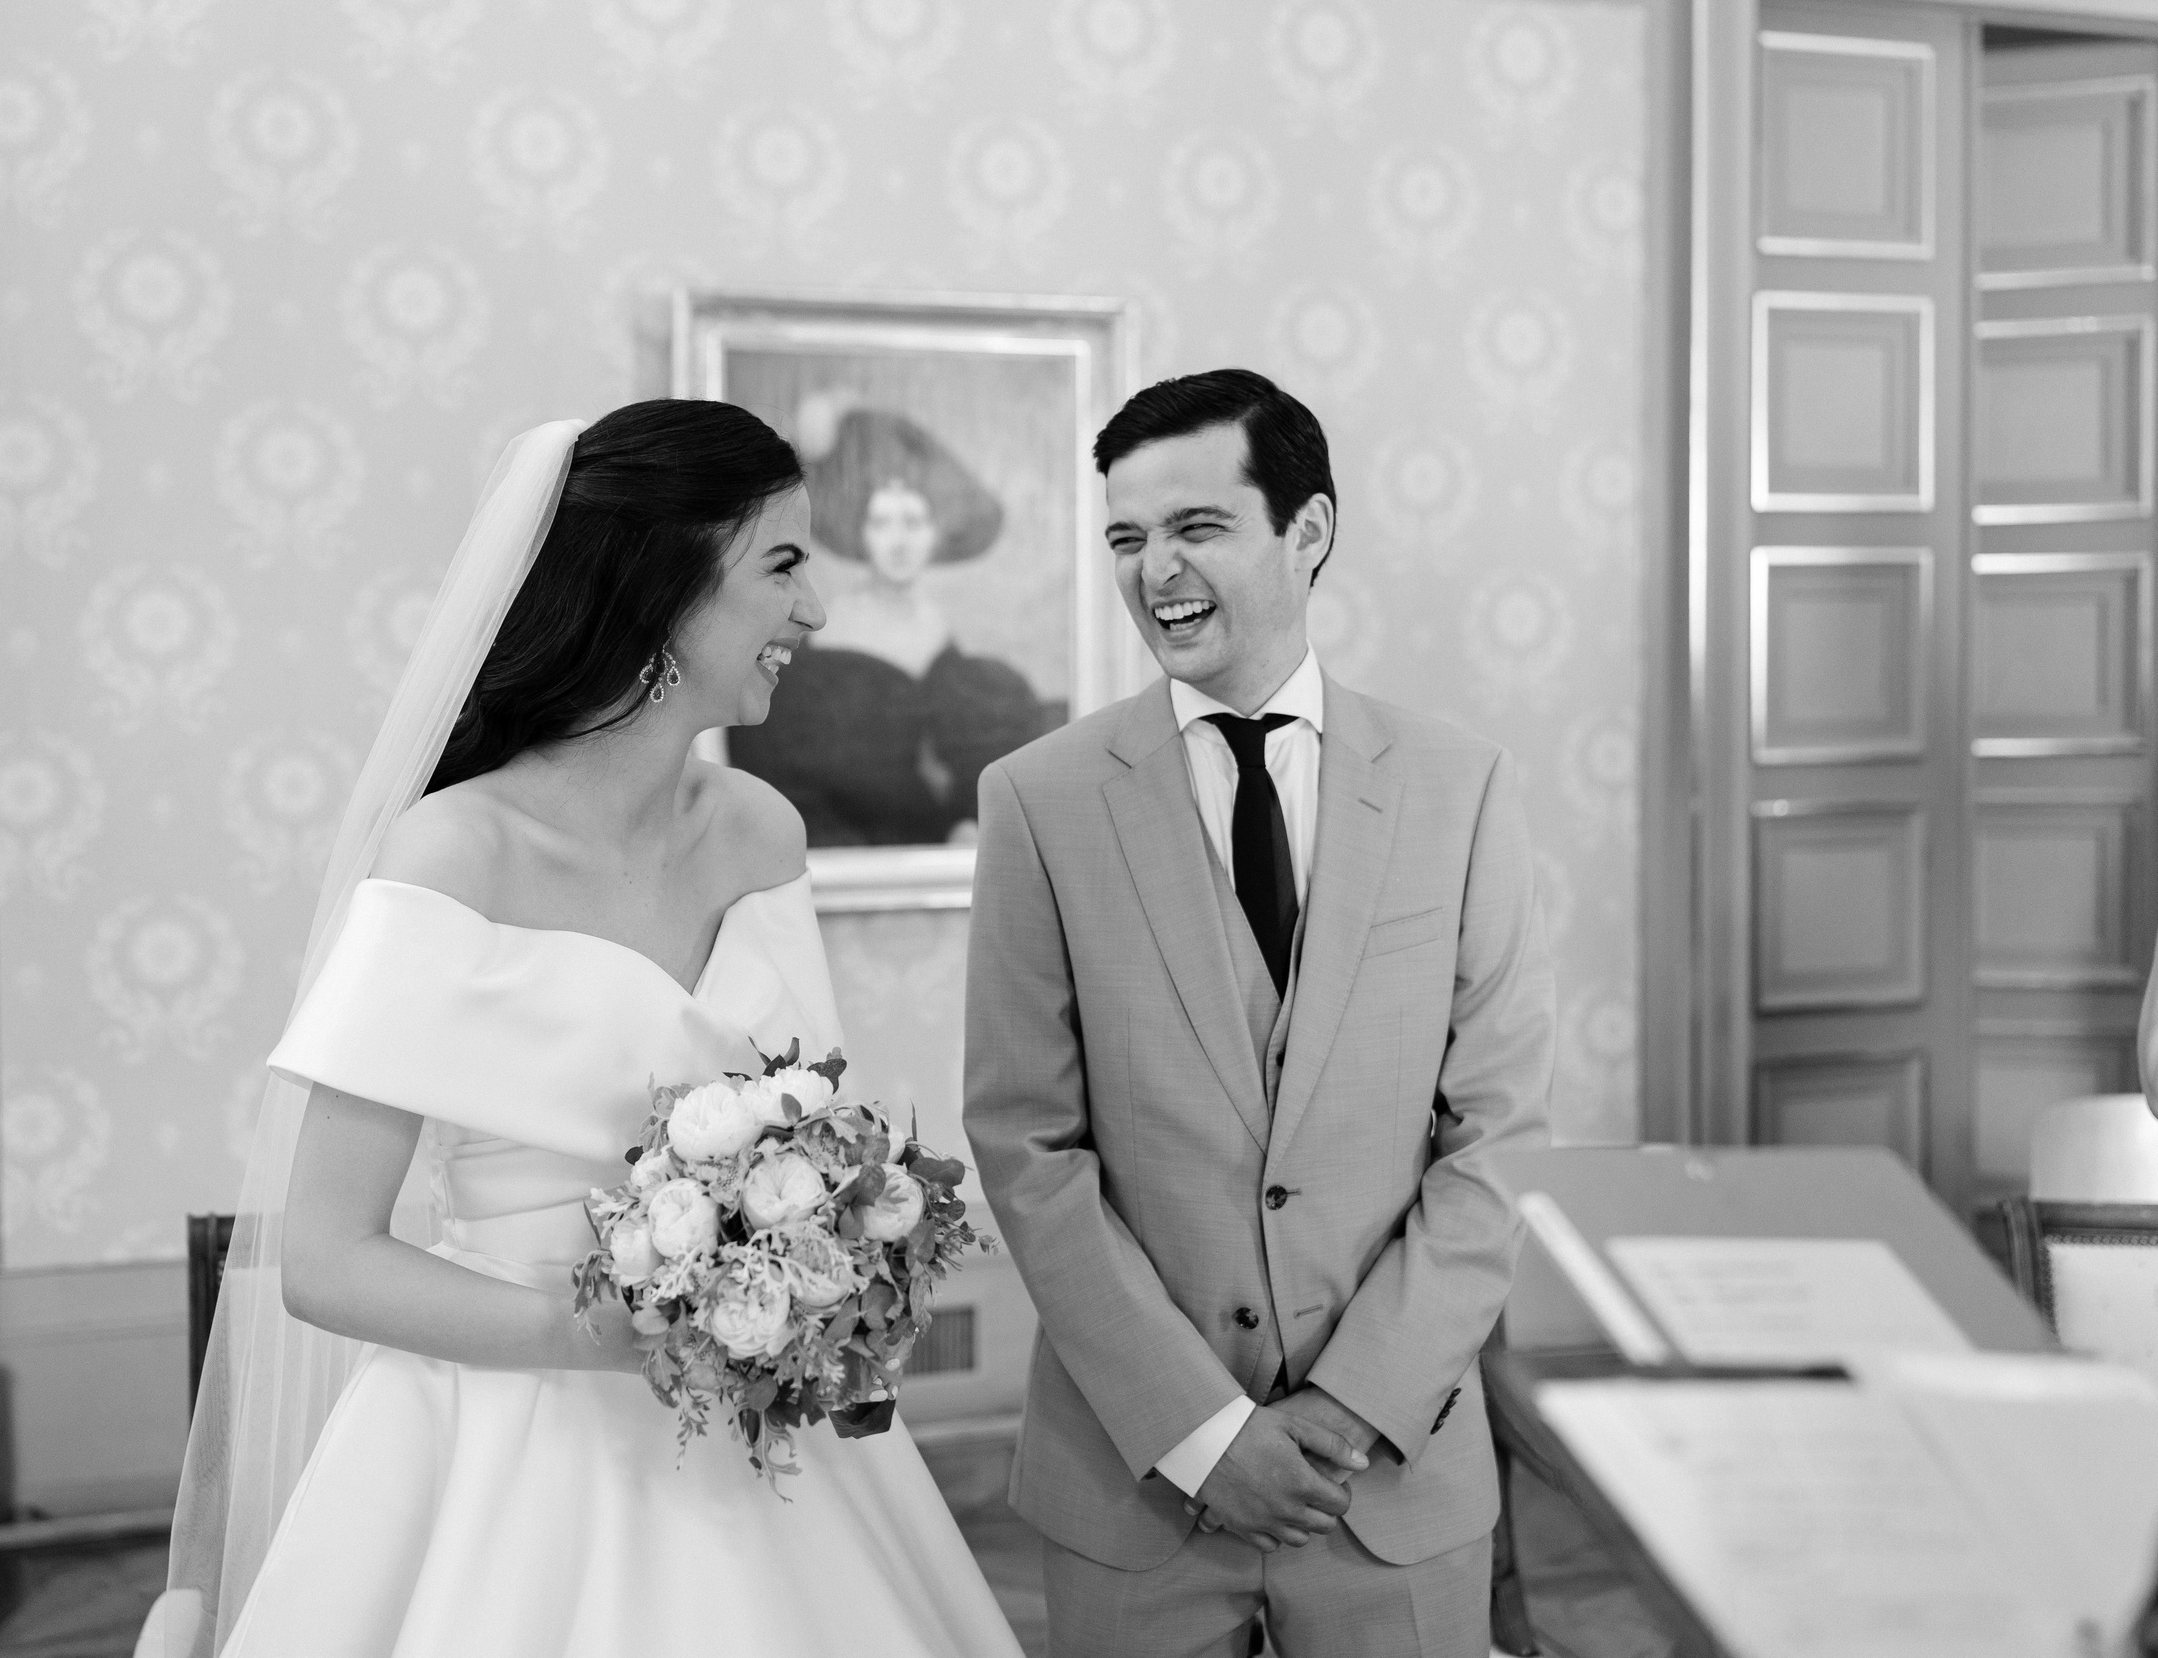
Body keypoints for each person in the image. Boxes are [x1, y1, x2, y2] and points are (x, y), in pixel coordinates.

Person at [137, 402, 1025, 1658]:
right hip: (502, 1452)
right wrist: (608, 1337)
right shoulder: (456, 855)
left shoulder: (762, 833)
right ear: (661, 589)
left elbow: (815, 1120)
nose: (816, 611)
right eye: (781, 564)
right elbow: (328, 1259)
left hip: (760, 1446)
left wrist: (825, 1258)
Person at [963, 370, 1554, 1657]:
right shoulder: (1036, 800)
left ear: (1310, 531)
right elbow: (1025, 1149)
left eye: (1195, 527)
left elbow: (1496, 1139)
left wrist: (1350, 1407)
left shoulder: (1461, 788)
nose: (1153, 570)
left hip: (1389, 1484)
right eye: (1126, 538)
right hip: (1133, 1486)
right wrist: (1205, 1431)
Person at [728, 404, 1061, 846]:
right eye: (882, 522)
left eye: (914, 522)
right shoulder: (813, 650)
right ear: (860, 532)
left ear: (936, 532)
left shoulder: (965, 661)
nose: (899, 541)